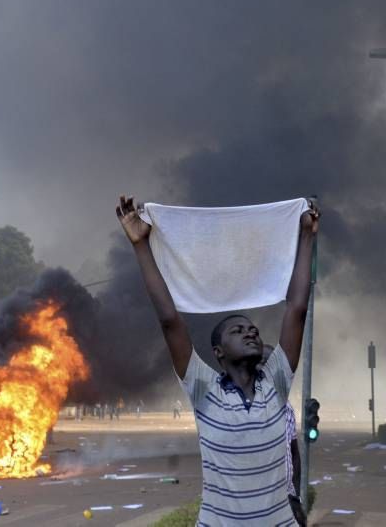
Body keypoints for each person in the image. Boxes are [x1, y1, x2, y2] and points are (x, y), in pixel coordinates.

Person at [116, 194, 317, 526]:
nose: (251, 333)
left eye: (253, 329)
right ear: (218, 353)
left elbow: (296, 309)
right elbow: (170, 321)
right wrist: (141, 245)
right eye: (237, 330)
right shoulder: (204, 390)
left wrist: (307, 236)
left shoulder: (277, 382)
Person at [261, 344, 304, 524]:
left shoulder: (287, 408)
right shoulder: (239, 410)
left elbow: (294, 454)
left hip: (285, 501)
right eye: (264, 364)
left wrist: (294, 496)